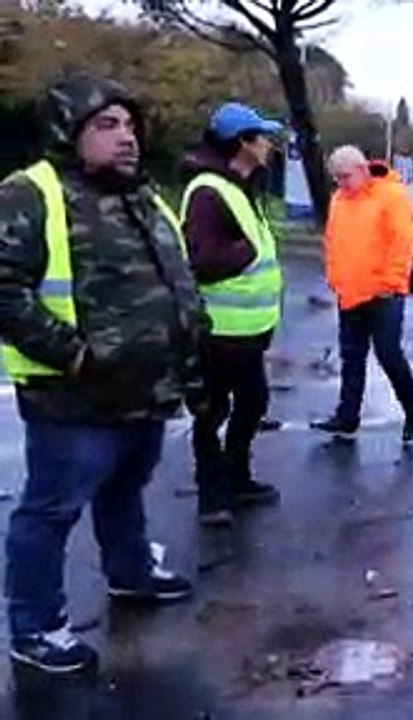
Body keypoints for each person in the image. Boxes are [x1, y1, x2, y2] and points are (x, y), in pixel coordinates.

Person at [0, 75, 205, 674]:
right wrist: (77, 355)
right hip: (73, 398)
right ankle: (35, 626)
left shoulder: (142, 195)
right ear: (70, 132)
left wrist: (189, 359)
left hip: (145, 390)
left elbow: (175, 284)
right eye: (106, 125)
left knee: (125, 488)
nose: (127, 138)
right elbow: (5, 290)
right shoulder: (30, 193)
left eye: (129, 125)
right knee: (50, 510)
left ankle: (131, 570)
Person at [180, 102, 284, 527]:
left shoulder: (241, 185)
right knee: (213, 412)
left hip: (247, 331)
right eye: (263, 138)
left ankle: (236, 480)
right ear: (242, 142)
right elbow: (202, 258)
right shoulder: (209, 190)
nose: (270, 146)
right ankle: (214, 496)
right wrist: (246, 253)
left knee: (252, 403)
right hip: (218, 331)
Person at [311, 145, 413, 444]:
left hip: (383, 293)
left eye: (345, 176)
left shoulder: (391, 195)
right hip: (350, 290)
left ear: (363, 169)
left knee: (389, 355)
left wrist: (389, 283)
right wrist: (335, 278)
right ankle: (347, 416)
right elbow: (333, 241)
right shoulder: (339, 199)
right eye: (336, 178)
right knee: (352, 357)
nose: (340, 183)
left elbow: (403, 243)